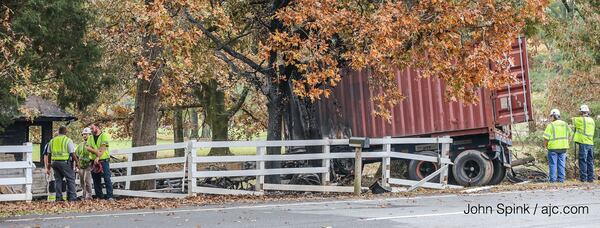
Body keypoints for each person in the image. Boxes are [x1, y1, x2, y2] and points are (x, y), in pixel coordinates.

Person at [44, 126, 79, 201]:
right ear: (66, 132)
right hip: (64, 162)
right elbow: (72, 153)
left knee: (58, 180)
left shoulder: (52, 141)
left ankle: (59, 198)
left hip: (54, 163)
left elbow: (49, 154)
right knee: (70, 179)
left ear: (59, 132)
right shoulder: (67, 140)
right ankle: (72, 198)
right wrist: (77, 162)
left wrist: (49, 165)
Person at [87, 123, 114, 200]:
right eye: (90, 129)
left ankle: (110, 196)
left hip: (103, 160)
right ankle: (99, 196)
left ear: (97, 127)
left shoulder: (104, 136)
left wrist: (98, 156)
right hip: (93, 161)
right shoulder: (90, 137)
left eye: (92, 128)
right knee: (96, 179)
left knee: (107, 178)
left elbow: (103, 148)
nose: (91, 130)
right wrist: (96, 152)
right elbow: (88, 147)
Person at [543, 109, 571, 183]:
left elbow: (546, 138)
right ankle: (561, 180)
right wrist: (567, 143)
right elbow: (570, 135)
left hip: (553, 148)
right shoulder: (565, 124)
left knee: (553, 164)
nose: (550, 118)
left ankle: (553, 180)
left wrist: (545, 147)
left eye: (551, 116)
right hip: (563, 148)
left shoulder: (551, 125)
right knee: (561, 164)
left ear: (553, 116)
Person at [572, 104, 596, 182]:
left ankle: (583, 178)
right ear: (588, 112)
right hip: (590, 143)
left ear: (581, 112)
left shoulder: (580, 120)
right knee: (590, 161)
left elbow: (572, 120)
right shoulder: (592, 120)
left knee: (582, 160)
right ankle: (591, 178)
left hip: (583, 143)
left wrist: (578, 113)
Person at [76, 127, 94, 199]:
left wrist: (92, 163)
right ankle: (84, 195)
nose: (84, 136)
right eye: (83, 134)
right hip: (81, 166)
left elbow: (94, 154)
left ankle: (89, 196)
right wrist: (76, 165)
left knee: (87, 181)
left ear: (90, 135)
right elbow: (76, 155)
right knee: (82, 182)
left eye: (86, 134)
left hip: (88, 165)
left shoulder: (92, 144)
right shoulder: (80, 145)